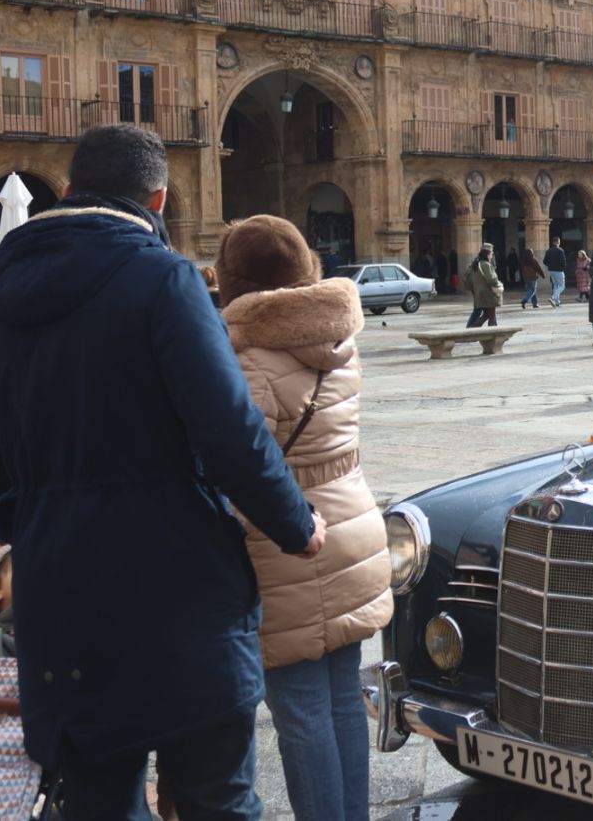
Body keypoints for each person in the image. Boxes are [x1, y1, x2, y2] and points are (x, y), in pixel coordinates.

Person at [0, 124, 325, 820]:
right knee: (216, 798)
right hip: (177, 586)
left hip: (59, 596)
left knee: (98, 803)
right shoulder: (163, 278)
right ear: (159, 197)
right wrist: (296, 523)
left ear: (68, 189)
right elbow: (227, 426)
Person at [215, 215, 392, 821]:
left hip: (290, 541)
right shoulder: (339, 341)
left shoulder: (247, 358)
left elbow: (243, 465)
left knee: (299, 711)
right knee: (341, 699)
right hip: (353, 528)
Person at [463, 244, 502, 327]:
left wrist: (474, 288)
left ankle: (472, 329)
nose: (492, 256)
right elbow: (491, 280)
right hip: (488, 293)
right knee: (492, 316)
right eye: (491, 254)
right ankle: (491, 332)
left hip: (479, 294)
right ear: (487, 255)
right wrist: (498, 283)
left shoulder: (475, 264)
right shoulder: (486, 265)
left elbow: (466, 278)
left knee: (486, 315)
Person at [542, 240, 567, 306]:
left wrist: (550, 266)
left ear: (553, 242)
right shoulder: (560, 250)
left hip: (551, 270)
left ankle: (557, 302)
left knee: (556, 285)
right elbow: (563, 261)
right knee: (562, 286)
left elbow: (544, 261)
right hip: (559, 270)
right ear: (558, 242)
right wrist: (563, 268)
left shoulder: (548, 251)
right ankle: (552, 298)